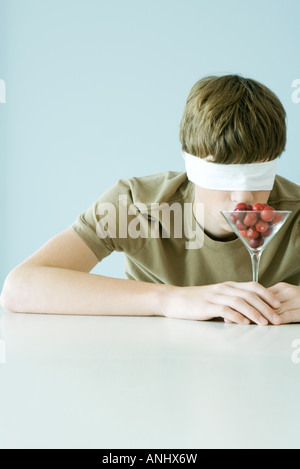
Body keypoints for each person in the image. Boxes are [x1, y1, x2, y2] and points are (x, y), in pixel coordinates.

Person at [1, 75, 300, 325]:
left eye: (258, 174)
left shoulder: (295, 214)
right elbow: (20, 286)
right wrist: (169, 298)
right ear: (191, 163)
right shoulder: (138, 207)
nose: (244, 197)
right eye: (222, 175)